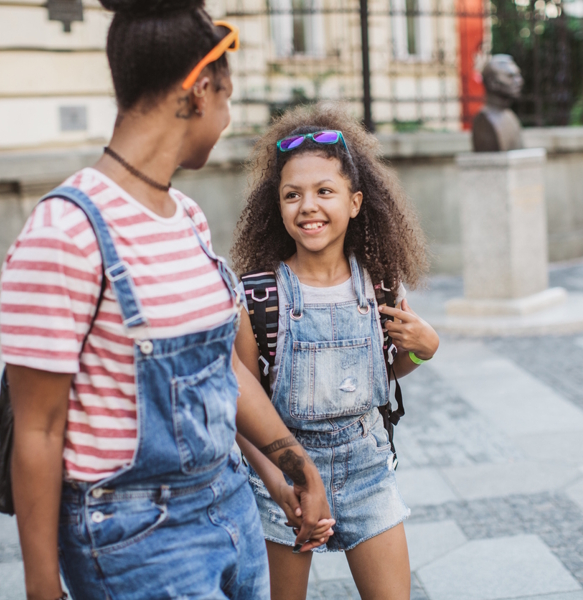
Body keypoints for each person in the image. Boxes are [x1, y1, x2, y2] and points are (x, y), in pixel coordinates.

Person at [0, 2, 334, 599]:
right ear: (200, 90)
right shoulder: (66, 230)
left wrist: (293, 461)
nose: (228, 118)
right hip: (136, 540)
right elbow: (39, 428)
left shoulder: (187, 218)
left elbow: (222, 366)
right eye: (228, 98)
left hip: (230, 508)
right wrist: (41, 586)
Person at [230, 104, 440, 600]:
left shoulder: (382, 285)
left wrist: (424, 349)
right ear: (276, 207)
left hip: (367, 468)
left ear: (355, 201)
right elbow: (241, 406)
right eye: (292, 195)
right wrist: (280, 485)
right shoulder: (257, 296)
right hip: (281, 476)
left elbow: (381, 371)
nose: (308, 206)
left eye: (325, 191)